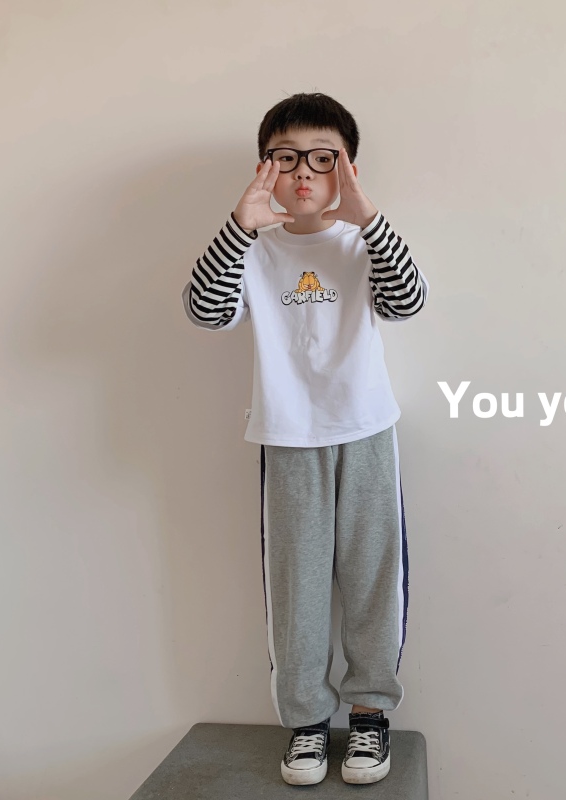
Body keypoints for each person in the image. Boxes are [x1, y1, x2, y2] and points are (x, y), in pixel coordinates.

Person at [181, 92, 428, 786]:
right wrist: (240, 224)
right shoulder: (253, 250)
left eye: (323, 159)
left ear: (348, 167)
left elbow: (407, 302)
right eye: (285, 158)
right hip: (288, 439)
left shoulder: (361, 243)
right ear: (264, 167)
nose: (303, 173)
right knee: (298, 588)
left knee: (375, 576)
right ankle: (307, 724)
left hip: (367, 431)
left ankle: (371, 712)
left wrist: (369, 218)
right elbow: (204, 312)